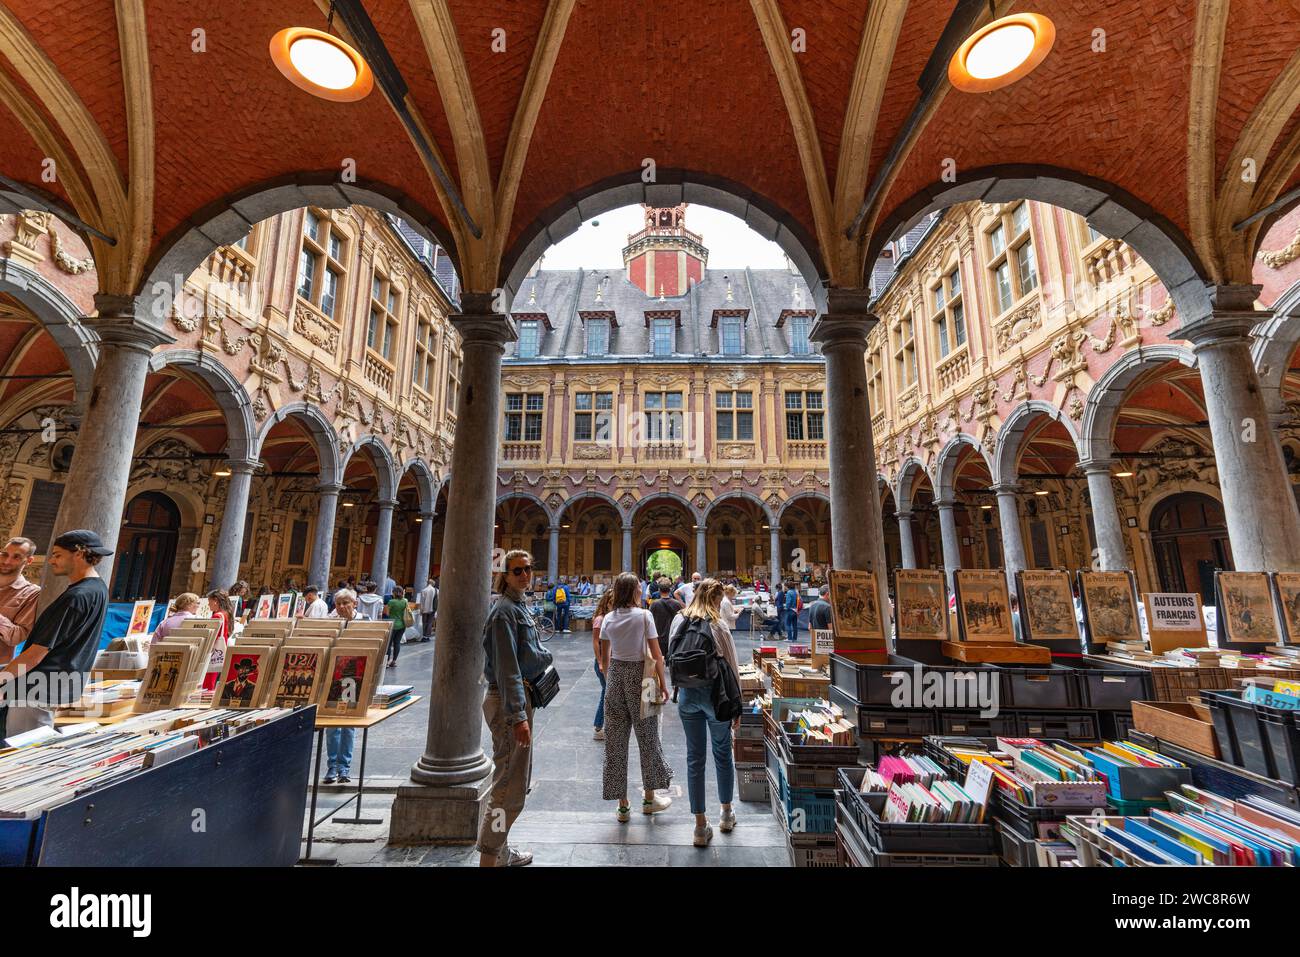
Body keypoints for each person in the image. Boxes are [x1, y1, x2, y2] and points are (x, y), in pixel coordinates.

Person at [478, 549, 553, 867]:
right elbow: (509, 668)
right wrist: (518, 716)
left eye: (528, 569)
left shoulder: (518, 607)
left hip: (518, 698)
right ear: (505, 575)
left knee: (512, 780)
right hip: (510, 701)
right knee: (509, 787)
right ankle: (489, 855)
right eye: (518, 570)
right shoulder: (505, 612)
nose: (525, 575)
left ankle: (501, 851)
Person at [0, 530, 110, 740]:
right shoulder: (98, 589)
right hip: (50, 686)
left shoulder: (77, 597)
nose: (51, 560)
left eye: (58, 555)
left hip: (37, 689)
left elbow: (36, 653)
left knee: (24, 756)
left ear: (79, 554)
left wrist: (3, 678)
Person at [668, 578, 741, 848]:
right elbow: (732, 666)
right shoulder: (718, 625)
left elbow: (670, 655)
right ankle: (726, 812)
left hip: (687, 695)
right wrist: (738, 705)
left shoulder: (679, 620)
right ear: (717, 600)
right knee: (723, 754)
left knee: (694, 758)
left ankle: (700, 825)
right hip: (717, 696)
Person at [598, 572, 672, 822]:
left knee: (615, 742)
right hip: (645, 676)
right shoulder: (644, 616)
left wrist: (610, 679)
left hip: (616, 676)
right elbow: (657, 653)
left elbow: (605, 658)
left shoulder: (608, 618)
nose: (642, 591)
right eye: (638, 589)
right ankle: (650, 799)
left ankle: (622, 805)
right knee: (648, 738)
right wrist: (663, 683)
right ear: (633, 592)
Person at [325, 588, 361, 783]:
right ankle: (332, 767)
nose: (341, 607)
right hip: (334, 677)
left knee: (348, 725)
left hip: (356, 679)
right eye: (338, 603)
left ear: (354, 603)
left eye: (346, 603)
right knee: (332, 725)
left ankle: (344, 767)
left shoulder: (365, 622)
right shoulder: (331, 623)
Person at [0, 537, 40, 666]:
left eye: (16, 557)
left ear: (29, 561)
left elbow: (18, 636)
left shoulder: (32, 594)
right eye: (4, 554)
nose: (6, 561)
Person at [590, 589, 616, 741]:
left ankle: (603, 726)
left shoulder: (611, 617)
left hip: (611, 659)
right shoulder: (600, 619)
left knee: (607, 692)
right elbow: (595, 641)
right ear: (607, 602)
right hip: (602, 662)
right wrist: (600, 661)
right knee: (606, 693)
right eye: (613, 602)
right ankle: (598, 727)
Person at [385, 587, 408, 668]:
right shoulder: (405, 601)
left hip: (393, 625)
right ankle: (394, 661)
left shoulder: (391, 602)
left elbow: (387, 614)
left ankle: (387, 662)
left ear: (394, 593)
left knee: (389, 644)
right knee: (397, 643)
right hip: (402, 625)